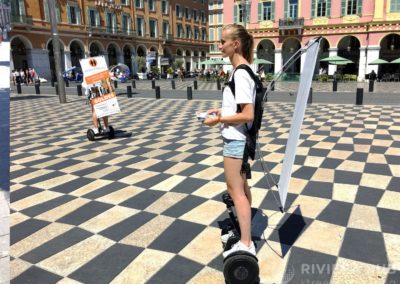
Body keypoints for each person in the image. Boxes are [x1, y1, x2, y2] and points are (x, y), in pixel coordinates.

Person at [203, 24, 256, 258]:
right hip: (238, 139)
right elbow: (240, 107)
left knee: (236, 192)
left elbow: (248, 114)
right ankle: (246, 230)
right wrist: (221, 109)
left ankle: (246, 242)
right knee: (242, 189)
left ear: (236, 44)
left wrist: (221, 118)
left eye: (223, 41)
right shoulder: (240, 71)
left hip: (235, 140)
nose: (219, 45)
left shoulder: (242, 73)